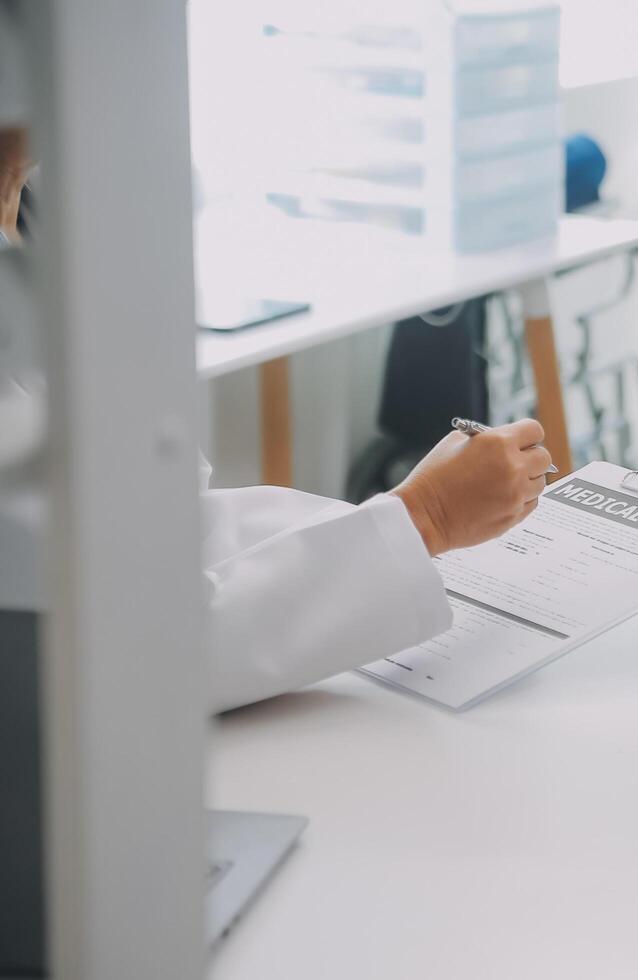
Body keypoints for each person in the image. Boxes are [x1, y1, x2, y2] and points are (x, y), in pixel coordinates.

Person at [0, 81, 550, 713]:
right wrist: (427, 519)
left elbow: (168, 523)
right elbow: (126, 650)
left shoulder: (37, 229)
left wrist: (397, 519)